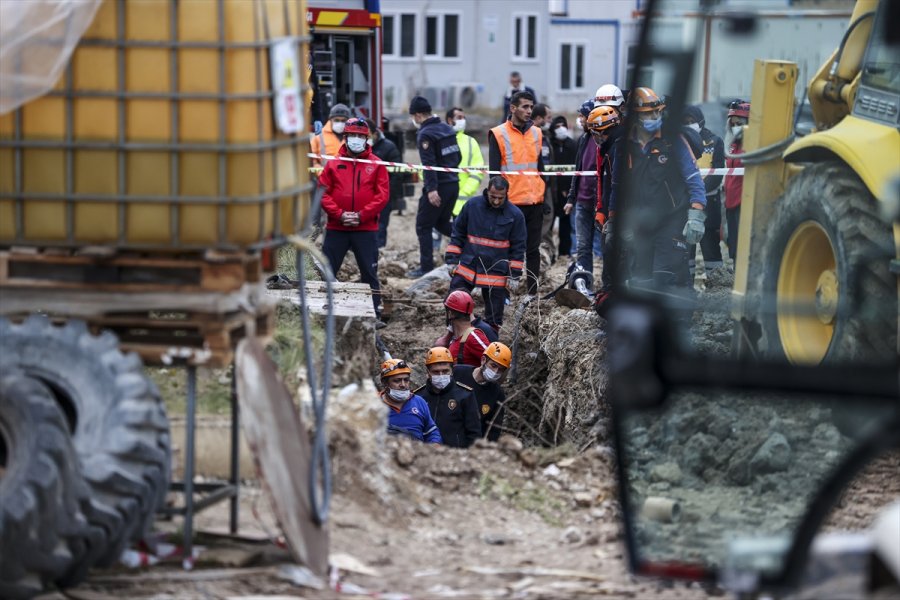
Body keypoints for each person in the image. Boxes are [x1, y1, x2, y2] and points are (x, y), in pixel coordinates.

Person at [606, 87, 706, 291]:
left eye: (657, 112)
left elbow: (693, 177)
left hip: (672, 218)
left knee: (666, 277)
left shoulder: (672, 140)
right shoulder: (623, 146)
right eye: (648, 113)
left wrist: (696, 214)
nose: (655, 117)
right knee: (640, 280)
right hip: (641, 221)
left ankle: (681, 309)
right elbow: (617, 187)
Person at [318, 117, 389, 318]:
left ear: (366, 139)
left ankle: (375, 312)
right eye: (352, 135)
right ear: (346, 137)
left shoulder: (376, 164)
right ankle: (320, 311)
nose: (356, 139)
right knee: (327, 272)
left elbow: (382, 195)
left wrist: (361, 215)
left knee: (369, 272)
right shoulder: (333, 164)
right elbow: (322, 192)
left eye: (360, 136)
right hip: (336, 228)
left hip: (365, 229)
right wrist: (339, 215)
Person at [445, 177, 526, 330]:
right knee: (454, 300)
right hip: (469, 266)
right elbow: (458, 233)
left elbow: (518, 248)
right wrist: (452, 260)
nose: (496, 201)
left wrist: (514, 275)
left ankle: (490, 338)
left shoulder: (515, 215)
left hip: (495, 272)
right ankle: (452, 332)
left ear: (507, 194)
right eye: (493, 197)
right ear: (487, 191)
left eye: (500, 198)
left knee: (494, 316)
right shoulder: (472, 206)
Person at [489, 91, 545, 295]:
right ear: (513, 108)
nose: (529, 111)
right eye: (525, 107)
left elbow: (541, 170)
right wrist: (496, 202)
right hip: (511, 203)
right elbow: (494, 174)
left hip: (535, 201)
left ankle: (532, 294)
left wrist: (544, 197)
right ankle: (501, 292)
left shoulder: (537, 133)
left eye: (531, 107)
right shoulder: (498, 133)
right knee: (506, 250)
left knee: (533, 250)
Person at [407, 96, 462, 278]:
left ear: (418, 115)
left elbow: (429, 165)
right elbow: (458, 157)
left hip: (439, 187)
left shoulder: (425, 134)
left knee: (423, 225)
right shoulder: (447, 128)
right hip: (453, 184)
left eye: (413, 116)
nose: (413, 120)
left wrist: (431, 190)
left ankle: (426, 267)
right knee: (441, 223)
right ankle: (468, 240)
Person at [683, 105, 726, 273]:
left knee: (711, 248)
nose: (689, 125)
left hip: (709, 204)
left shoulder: (715, 142)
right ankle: (686, 285)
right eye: (685, 122)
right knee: (686, 251)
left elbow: (717, 175)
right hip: (686, 204)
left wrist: (697, 190)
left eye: (692, 121)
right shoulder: (680, 142)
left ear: (700, 121)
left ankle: (716, 284)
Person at [414, 347, 482, 448]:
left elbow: (474, 433)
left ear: (452, 370)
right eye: (436, 372)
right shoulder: (419, 396)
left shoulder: (465, 395)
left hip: (455, 454)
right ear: (428, 372)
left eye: (445, 371)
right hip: (426, 453)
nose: (441, 375)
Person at [563, 99, 602, 276]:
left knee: (603, 247)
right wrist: (571, 199)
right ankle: (585, 280)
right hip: (582, 202)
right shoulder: (583, 139)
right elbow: (578, 170)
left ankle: (607, 284)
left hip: (600, 203)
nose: (580, 120)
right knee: (583, 247)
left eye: (582, 116)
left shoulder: (603, 141)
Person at [453, 342, 512, 441]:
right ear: (483, 360)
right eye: (493, 366)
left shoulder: (497, 393)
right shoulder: (458, 372)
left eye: (500, 370)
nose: (495, 372)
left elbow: (494, 429)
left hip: (472, 442)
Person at [379, 359, 442, 444]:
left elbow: (431, 432)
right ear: (385, 383)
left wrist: (434, 444)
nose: (403, 385)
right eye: (397, 380)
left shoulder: (419, 402)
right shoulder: (374, 406)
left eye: (406, 380)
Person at [310, 103, 351, 227]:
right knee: (318, 219)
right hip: (324, 183)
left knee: (342, 218)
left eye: (343, 121)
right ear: (330, 119)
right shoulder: (319, 136)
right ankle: (315, 235)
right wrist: (319, 171)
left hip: (347, 185)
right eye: (337, 120)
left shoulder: (353, 137)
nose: (340, 123)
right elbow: (312, 159)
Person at [365, 118, 403, 249]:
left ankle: (379, 250)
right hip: (363, 195)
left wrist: (386, 194)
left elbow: (397, 173)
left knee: (380, 225)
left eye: (367, 135)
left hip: (382, 195)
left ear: (375, 133)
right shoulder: (359, 149)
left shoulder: (389, 147)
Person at [446, 107, 485, 218]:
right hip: (440, 202)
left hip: (463, 205)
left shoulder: (471, 142)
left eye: (464, 118)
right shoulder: (439, 139)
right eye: (459, 117)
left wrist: (464, 192)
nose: (462, 120)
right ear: (450, 120)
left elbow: (478, 171)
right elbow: (426, 168)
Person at [724, 99, 750, 264]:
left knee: (744, 245)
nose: (735, 127)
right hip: (730, 202)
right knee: (733, 244)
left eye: (739, 124)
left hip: (744, 203)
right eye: (732, 124)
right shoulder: (731, 146)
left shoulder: (753, 146)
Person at [440, 290, 493, 367]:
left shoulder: (473, 337)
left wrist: (478, 373)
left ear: (450, 313)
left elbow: (496, 360)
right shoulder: (455, 339)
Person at [549, 116, 577, 258]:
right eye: (557, 126)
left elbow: (575, 169)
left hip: (567, 191)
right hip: (552, 190)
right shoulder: (550, 145)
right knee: (549, 222)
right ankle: (549, 253)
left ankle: (564, 252)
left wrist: (569, 189)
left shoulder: (573, 145)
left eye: (563, 125)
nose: (561, 129)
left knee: (566, 224)